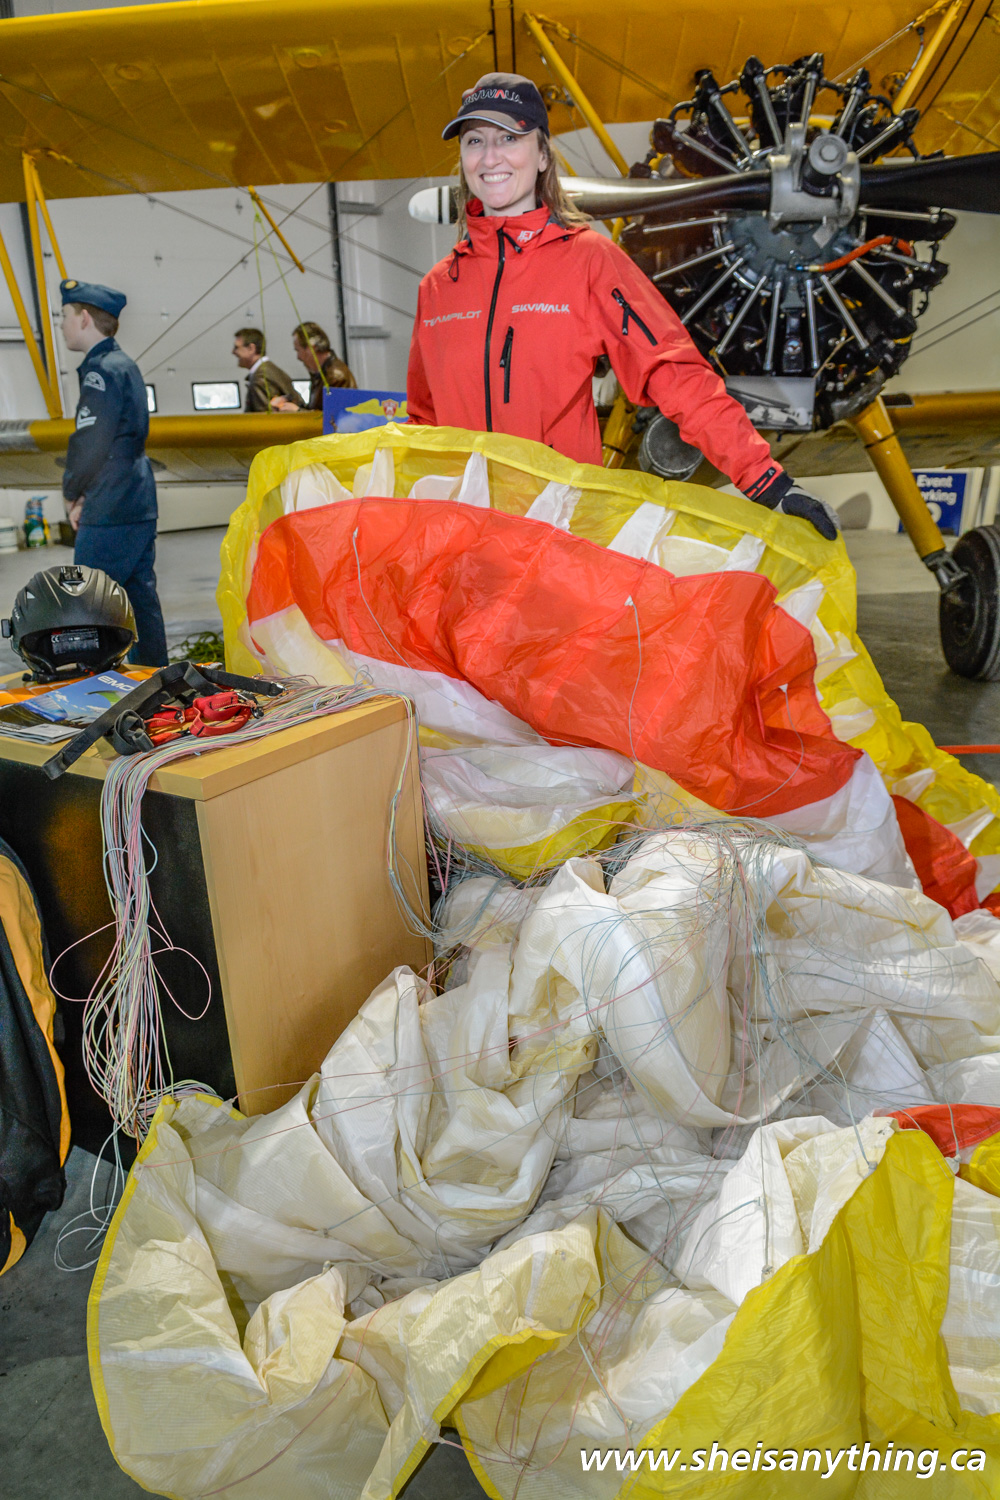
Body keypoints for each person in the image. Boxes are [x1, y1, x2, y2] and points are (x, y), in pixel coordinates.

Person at [406, 74, 839, 540]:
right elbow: (424, 424)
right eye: (475, 140)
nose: (491, 157)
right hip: (464, 542)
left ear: (543, 155)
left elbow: (674, 373)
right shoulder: (438, 288)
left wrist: (765, 480)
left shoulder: (590, 261)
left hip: (558, 534)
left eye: (510, 138)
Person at [60, 279, 168, 666]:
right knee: (139, 599)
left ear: (84, 319)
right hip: (136, 499)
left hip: (110, 506)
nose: (62, 325)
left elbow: (91, 443)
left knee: (88, 603)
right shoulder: (124, 365)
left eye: (64, 316)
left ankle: (91, 686)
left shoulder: (101, 371)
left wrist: (72, 493)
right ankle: (156, 679)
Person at [269, 322, 356, 412]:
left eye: (298, 350)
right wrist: (290, 404)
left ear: (312, 348)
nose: (298, 357)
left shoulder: (335, 376)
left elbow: (333, 416)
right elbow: (315, 409)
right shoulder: (321, 374)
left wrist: (298, 411)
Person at [232, 328, 300, 412]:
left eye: (236, 347)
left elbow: (264, 416)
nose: (233, 352)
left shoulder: (261, 377)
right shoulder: (269, 370)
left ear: (251, 348)